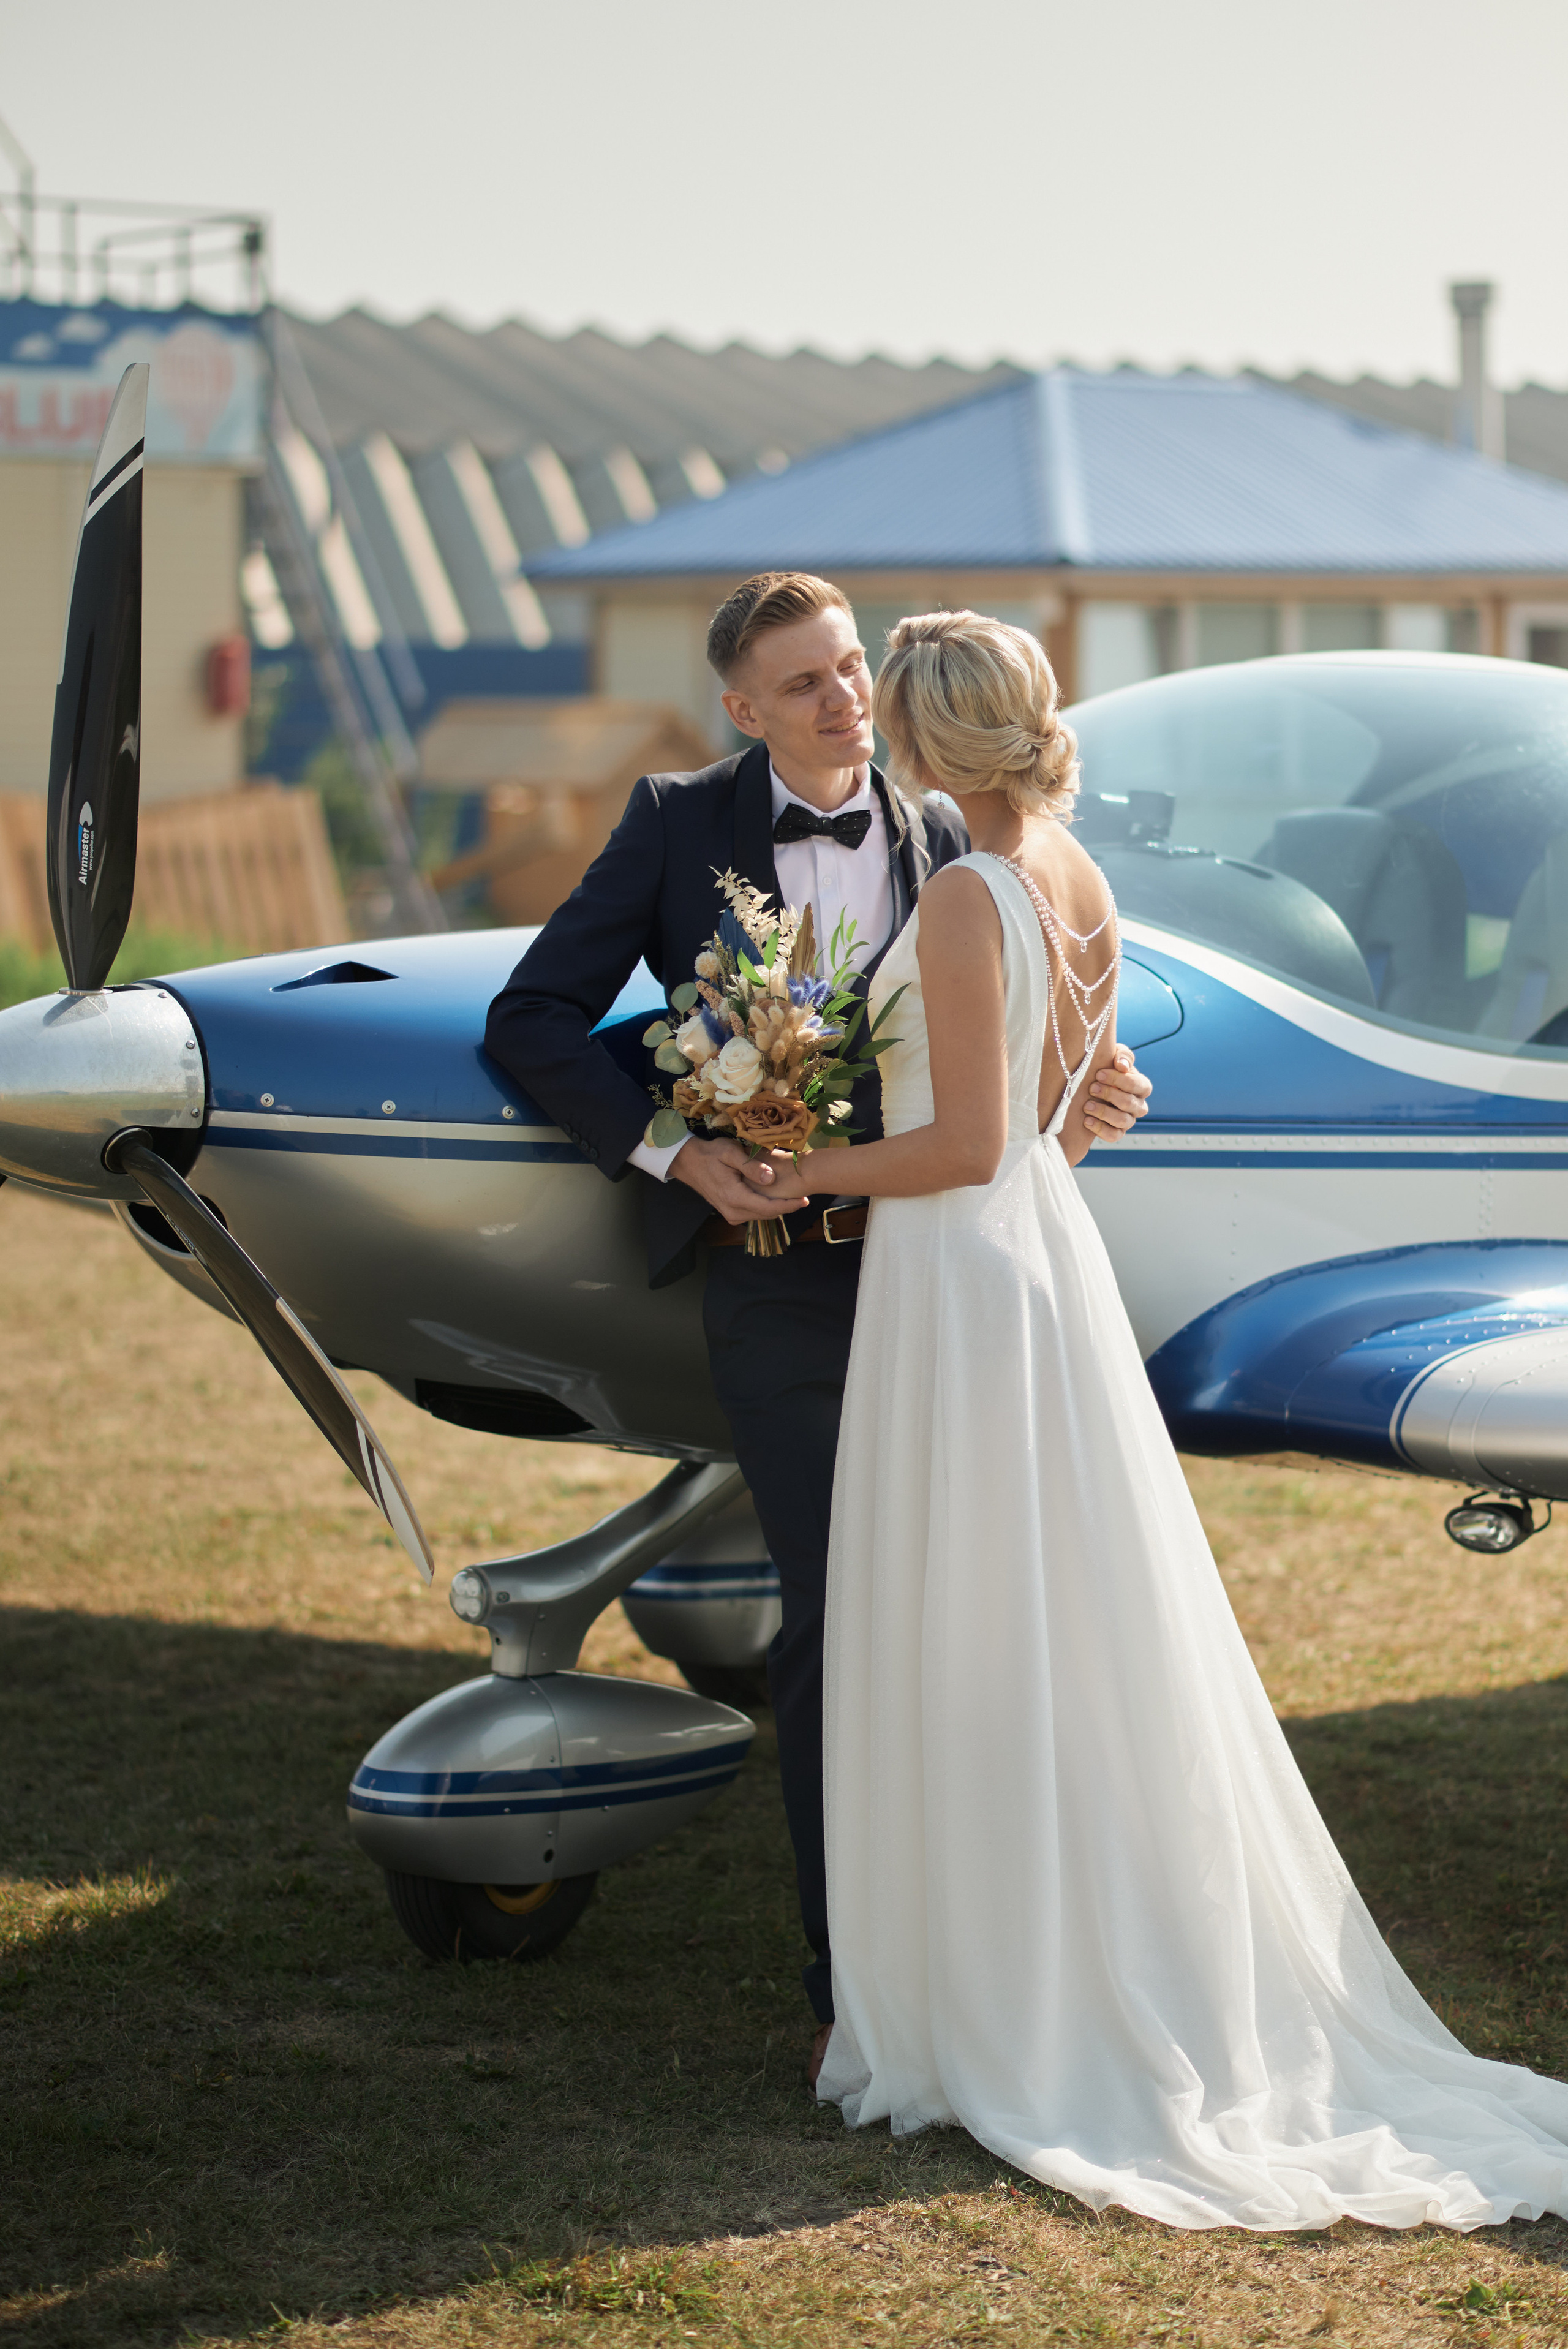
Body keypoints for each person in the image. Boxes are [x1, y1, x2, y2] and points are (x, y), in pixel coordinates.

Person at [747, 607, 1568, 2230]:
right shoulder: (1079, 879)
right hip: (1033, 1252)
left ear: (923, 741)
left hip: (967, 1266)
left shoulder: (976, 891)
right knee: (1035, 1617)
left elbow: (972, 1141)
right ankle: (1017, 1950)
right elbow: (1084, 1104)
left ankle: (997, 1991)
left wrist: (799, 1167)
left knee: (972, 1618)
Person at [484, 575, 1153, 2072]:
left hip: (943, 1267)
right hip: (784, 1278)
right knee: (840, 1613)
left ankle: (999, 1948)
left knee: (979, 1613)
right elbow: (530, 1016)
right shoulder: (672, 824)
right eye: (804, 684)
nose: (843, 699)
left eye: (854, 670)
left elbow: (1018, 1075)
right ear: (742, 708)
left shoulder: (953, 836)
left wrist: (1077, 1095)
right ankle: (851, 1981)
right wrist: (676, 1150)